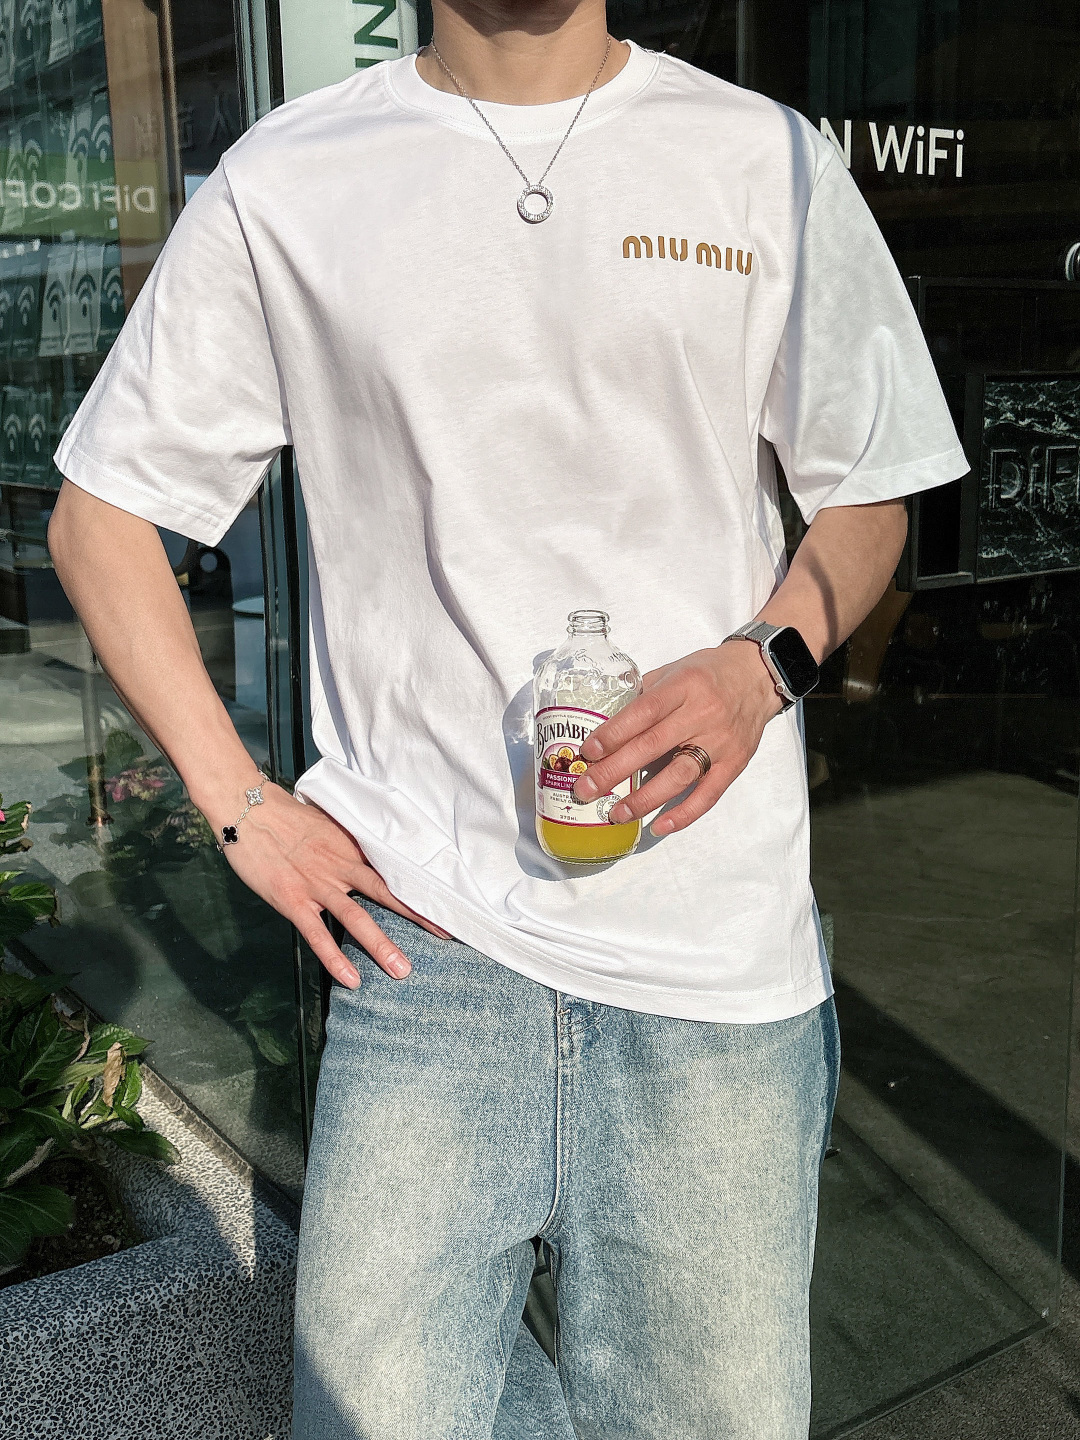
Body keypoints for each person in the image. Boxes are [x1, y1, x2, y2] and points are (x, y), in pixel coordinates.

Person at [47, 0, 970, 1434]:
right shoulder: (293, 176)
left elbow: (870, 488)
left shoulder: (761, 158)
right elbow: (103, 518)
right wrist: (243, 807)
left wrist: (761, 666)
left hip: (712, 961)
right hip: (425, 949)